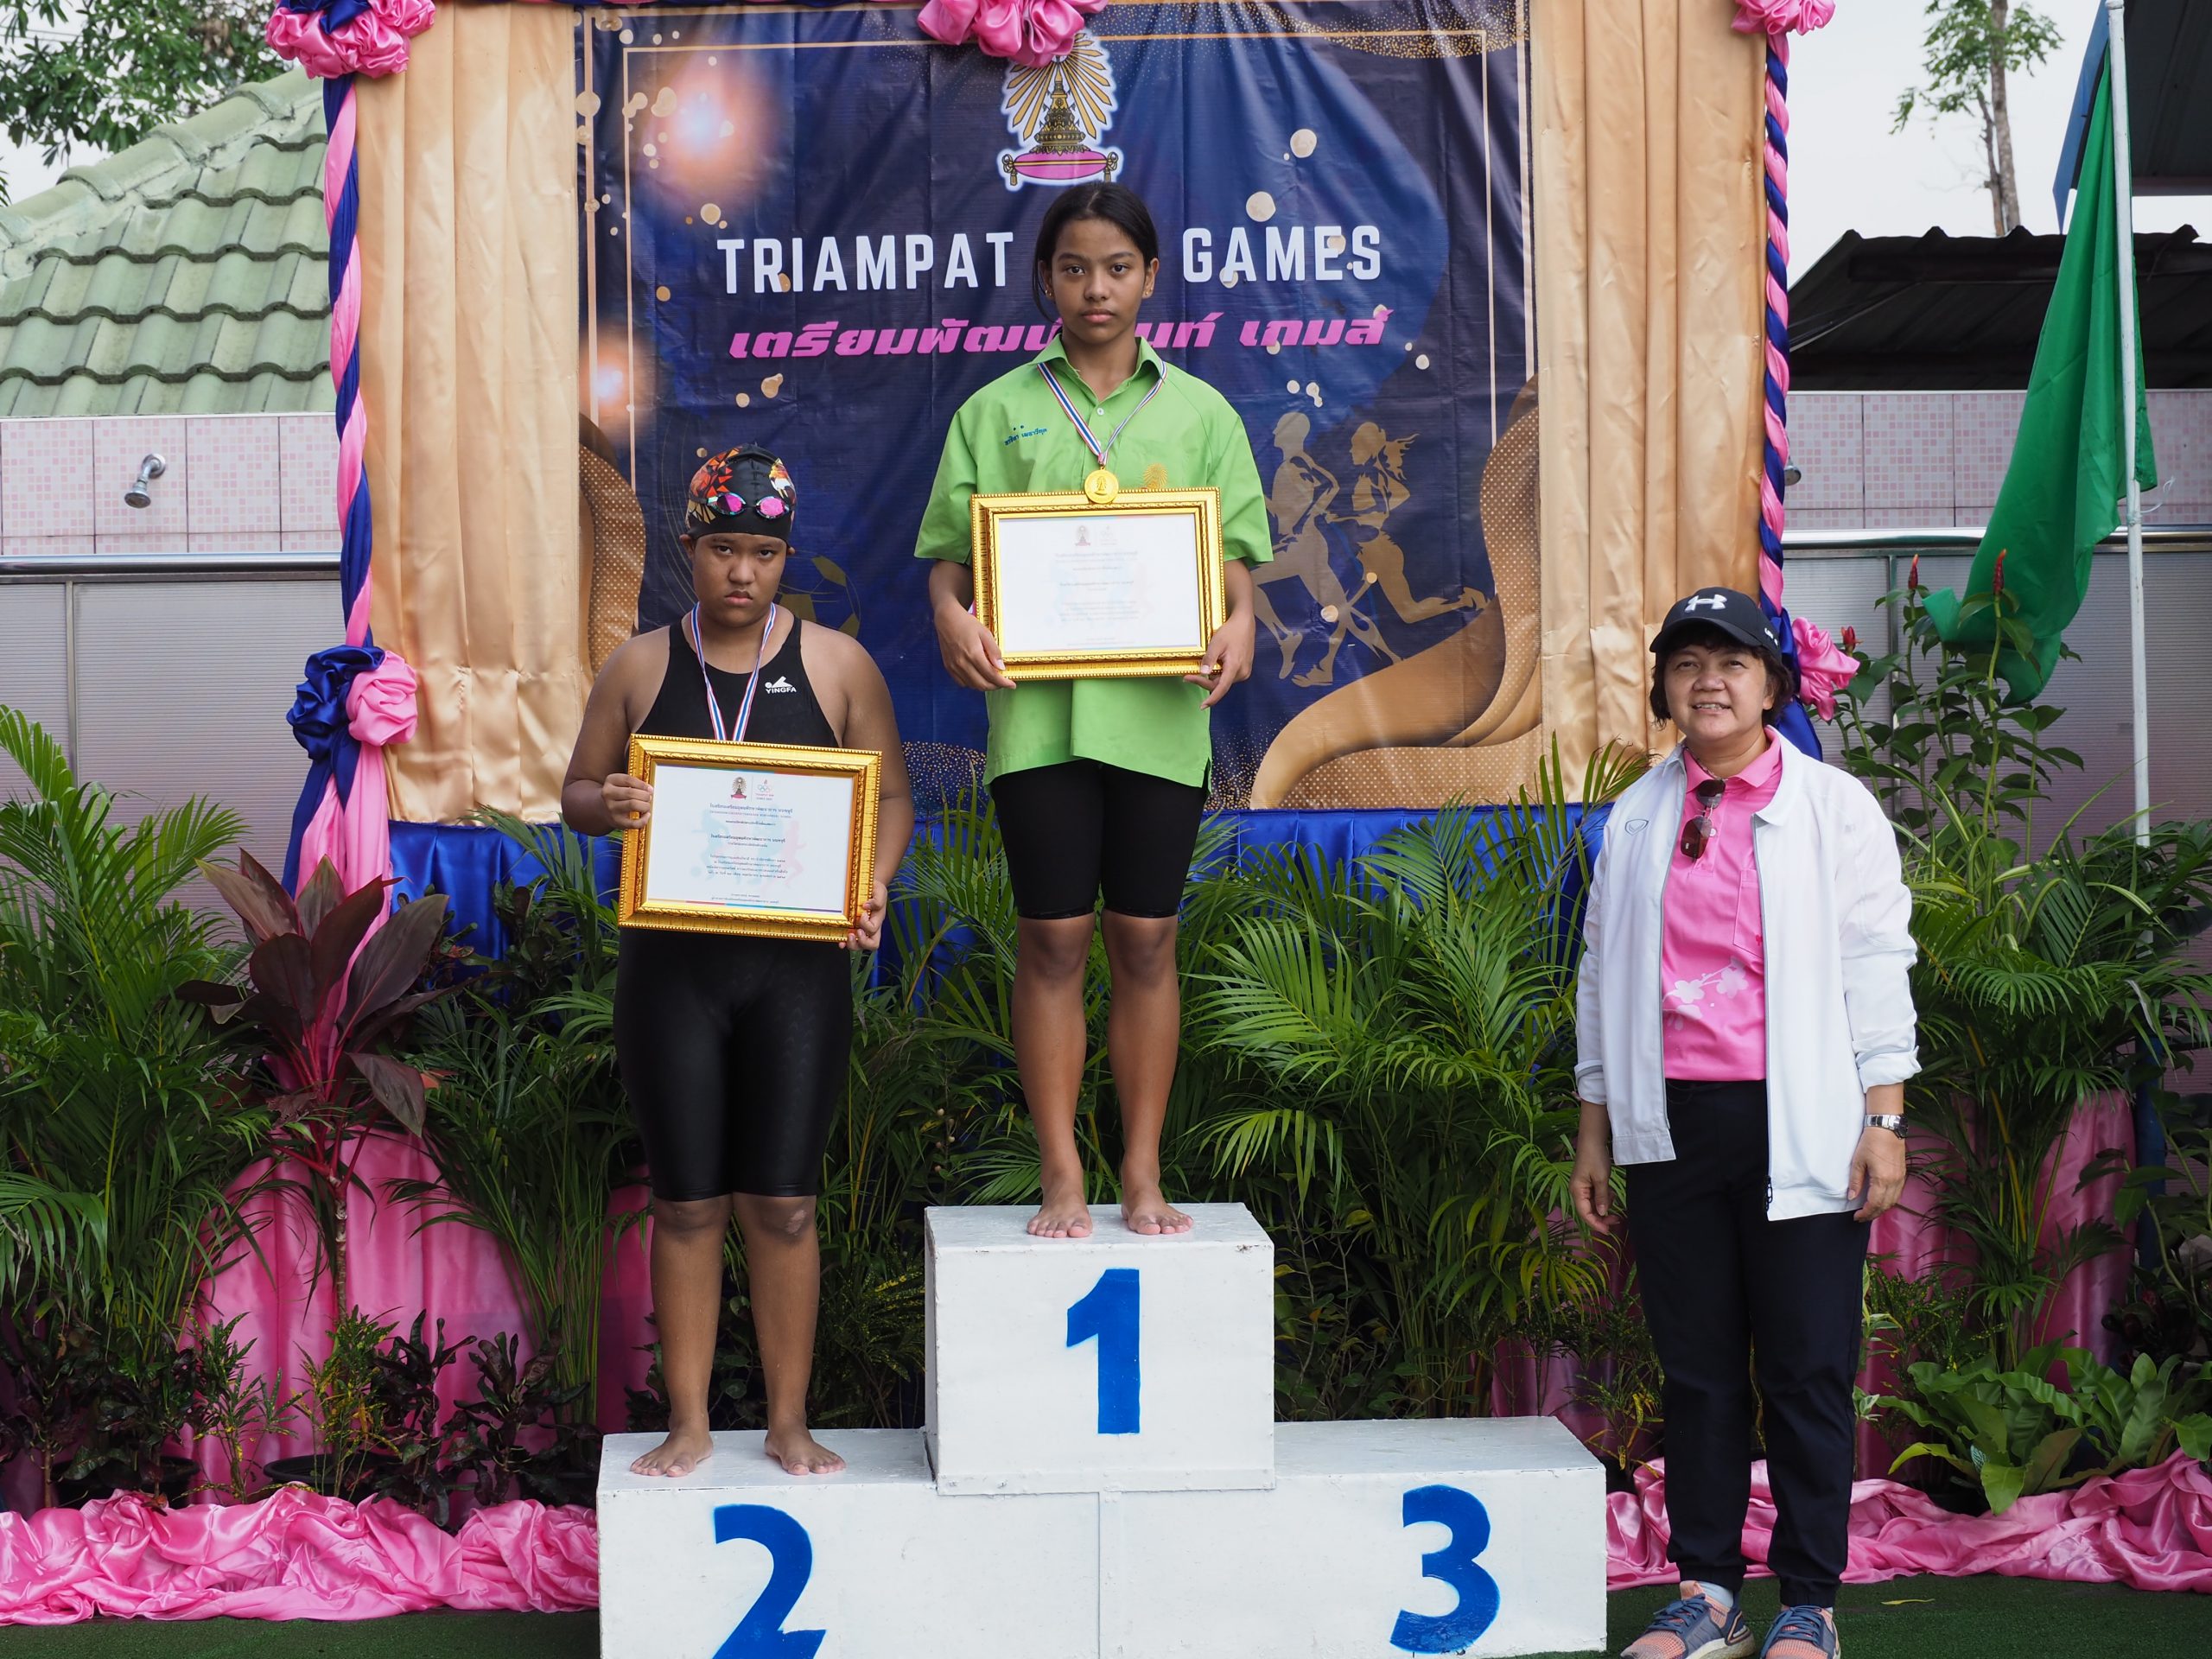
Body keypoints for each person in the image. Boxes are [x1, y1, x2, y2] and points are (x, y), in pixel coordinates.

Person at [915, 182, 1269, 1240]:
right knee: (1054, 938)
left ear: (1150, 277)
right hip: (1037, 723)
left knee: (1147, 938)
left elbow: (1237, 564)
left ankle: (1143, 1172)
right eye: (1074, 268)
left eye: (1116, 267)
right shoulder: (995, 410)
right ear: (1046, 279)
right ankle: (1062, 1172)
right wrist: (949, 618)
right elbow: (947, 563)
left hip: (1160, 718)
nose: (1096, 287)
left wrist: (1241, 622)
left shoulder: (1202, 412)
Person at [1570, 586, 1916, 1659]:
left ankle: (1809, 1602)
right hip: (1669, 1127)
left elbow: (1876, 961)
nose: (1707, 682)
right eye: (1686, 664)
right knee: (1698, 1371)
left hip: (1802, 1125)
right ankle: (1707, 1593)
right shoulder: (1635, 816)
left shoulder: (1833, 808)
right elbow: (1599, 978)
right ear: (1664, 689)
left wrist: (1884, 1113)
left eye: (1731, 663)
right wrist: (1594, 1129)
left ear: (1772, 686)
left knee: (1806, 1369)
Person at [563, 445, 915, 1478]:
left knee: (785, 1203)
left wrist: (873, 880)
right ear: (689, 549)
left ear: (785, 557)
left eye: (763, 553)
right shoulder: (638, 668)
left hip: (795, 976)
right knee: (685, 1203)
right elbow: (576, 792)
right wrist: (608, 803)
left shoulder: (839, 667)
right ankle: (688, 1423)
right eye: (723, 549)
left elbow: (892, 796)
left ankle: (788, 1422)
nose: (742, 572)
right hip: (670, 974)